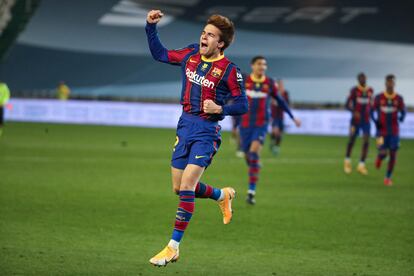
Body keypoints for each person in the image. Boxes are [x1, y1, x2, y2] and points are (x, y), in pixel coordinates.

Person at [145, 10, 248, 266]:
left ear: (220, 43)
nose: (204, 37)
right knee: (178, 188)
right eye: (204, 33)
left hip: (206, 131)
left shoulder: (229, 70)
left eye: (210, 35)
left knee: (188, 187)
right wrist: (150, 27)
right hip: (184, 125)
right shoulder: (191, 54)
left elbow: (243, 104)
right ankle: (221, 195)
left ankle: (173, 247)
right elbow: (161, 54)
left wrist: (221, 109)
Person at [241, 56, 300, 205]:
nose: (262, 66)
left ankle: (251, 192)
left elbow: (281, 101)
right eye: (259, 64)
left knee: (254, 152)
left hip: (261, 124)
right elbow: (231, 95)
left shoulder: (269, 83)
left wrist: (293, 117)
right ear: (252, 65)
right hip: (245, 124)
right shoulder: (245, 81)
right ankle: (254, 164)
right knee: (248, 157)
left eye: (264, 64)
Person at [371, 74, 406, 186]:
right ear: (385, 83)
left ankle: (388, 178)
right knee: (383, 152)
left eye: (392, 82)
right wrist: (375, 121)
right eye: (388, 82)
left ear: (394, 84)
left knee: (393, 153)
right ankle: (380, 158)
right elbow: (371, 111)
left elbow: (403, 110)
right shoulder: (379, 97)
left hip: (394, 132)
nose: (390, 84)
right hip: (380, 132)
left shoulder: (398, 98)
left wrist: (402, 116)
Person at [344, 73, 374, 175]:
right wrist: (353, 111)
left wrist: (371, 113)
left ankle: (361, 165)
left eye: (364, 77)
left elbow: (371, 104)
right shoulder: (354, 90)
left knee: (366, 141)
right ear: (358, 79)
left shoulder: (370, 90)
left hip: (366, 121)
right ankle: (347, 161)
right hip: (355, 121)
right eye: (361, 78)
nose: (363, 79)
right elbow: (347, 105)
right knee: (352, 140)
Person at [269, 79, 291, 155]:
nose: (281, 86)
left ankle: (276, 146)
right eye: (280, 84)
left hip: (281, 116)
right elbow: (271, 103)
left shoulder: (285, 93)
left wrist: (281, 103)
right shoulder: (274, 93)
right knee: (275, 131)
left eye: (282, 84)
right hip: (274, 116)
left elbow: (287, 103)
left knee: (280, 134)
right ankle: (273, 143)